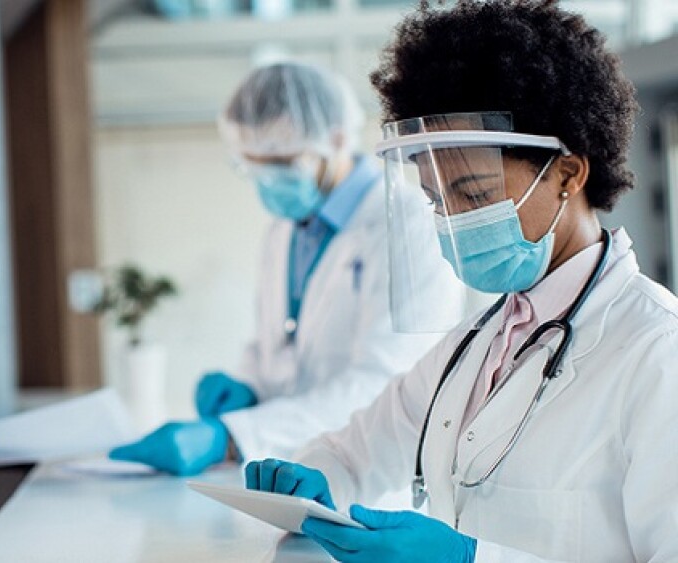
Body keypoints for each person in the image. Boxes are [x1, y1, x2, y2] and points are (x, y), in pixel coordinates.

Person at [245, 2, 678, 562]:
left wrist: (472, 560)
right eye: (434, 198)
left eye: (473, 194)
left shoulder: (657, 354)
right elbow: (356, 452)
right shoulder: (476, 345)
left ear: (568, 173)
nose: (450, 220)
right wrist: (312, 476)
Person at [110, 62, 462, 476]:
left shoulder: (409, 222)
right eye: (254, 166)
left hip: (372, 481)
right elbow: (273, 350)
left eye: (281, 164)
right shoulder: (284, 230)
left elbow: (387, 385)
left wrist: (231, 436)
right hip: (287, 469)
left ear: (335, 139)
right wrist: (249, 388)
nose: (268, 182)